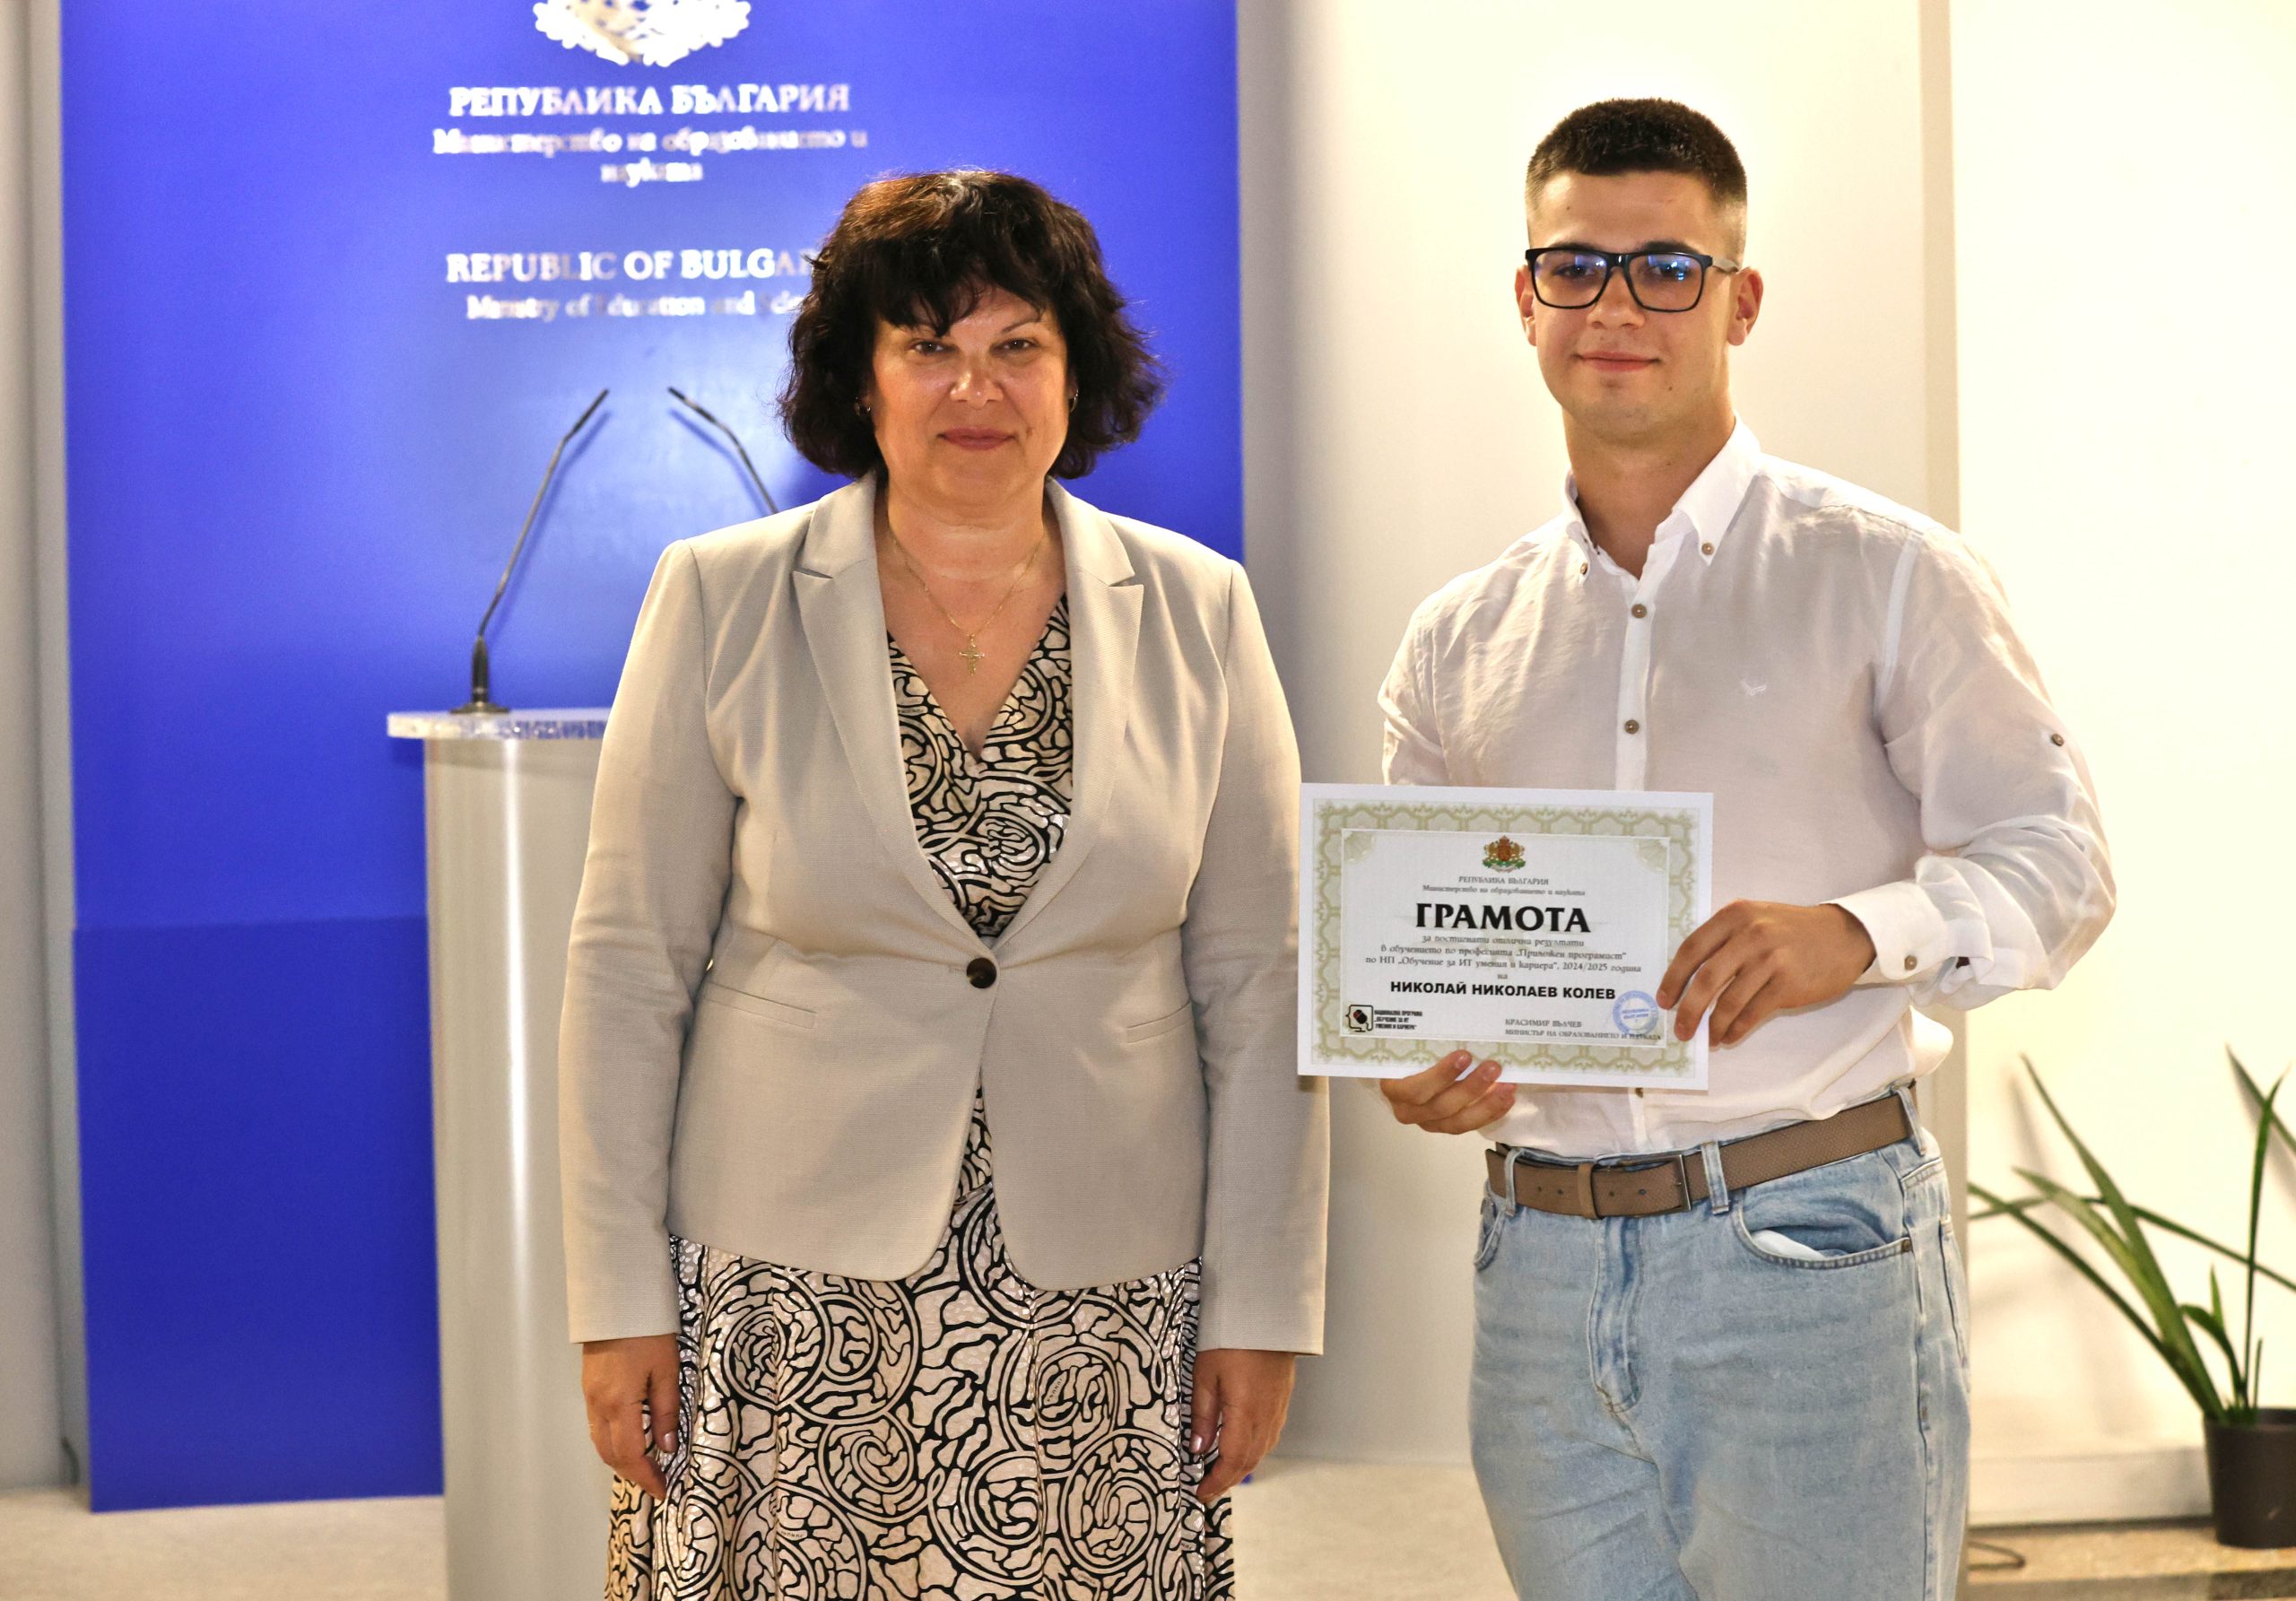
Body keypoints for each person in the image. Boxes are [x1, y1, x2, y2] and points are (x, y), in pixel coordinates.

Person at [1376, 100, 2112, 1601]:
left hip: (1812, 1250)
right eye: (1576, 266)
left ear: (1740, 299)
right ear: (1525, 297)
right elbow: (1418, 959)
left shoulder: (1888, 573)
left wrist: (1857, 932)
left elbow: (2062, 860)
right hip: (1539, 1270)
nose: (1617, 307)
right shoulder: (1459, 639)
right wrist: (1414, 1057)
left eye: (1667, 268)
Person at [558, 168, 1326, 1600]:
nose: (977, 387)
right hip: (782, 1289)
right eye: (928, 345)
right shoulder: (721, 595)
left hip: (1103, 1295)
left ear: (1076, 373)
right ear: (863, 380)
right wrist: (615, 1298)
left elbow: (1262, 980)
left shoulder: (1201, 608)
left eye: (1018, 344)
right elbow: (626, 966)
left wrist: (1264, 1303)